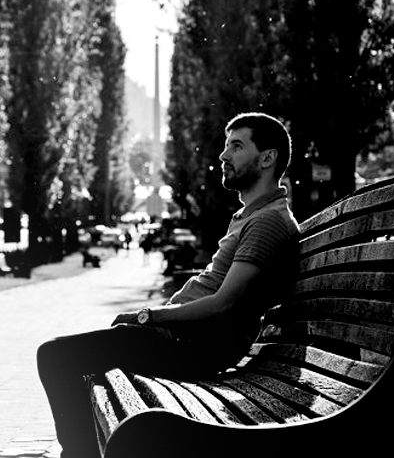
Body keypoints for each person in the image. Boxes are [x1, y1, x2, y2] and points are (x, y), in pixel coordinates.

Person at [36, 112, 300, 458]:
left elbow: (223, 303)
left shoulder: (267, 222)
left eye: (237, 146)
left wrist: (150, 316)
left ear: (267, 158)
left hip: (194, 348)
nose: (223, 155)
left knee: (55, 357)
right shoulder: (253, 216)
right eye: (226, 146)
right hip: (183, 340)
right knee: (80, 363)